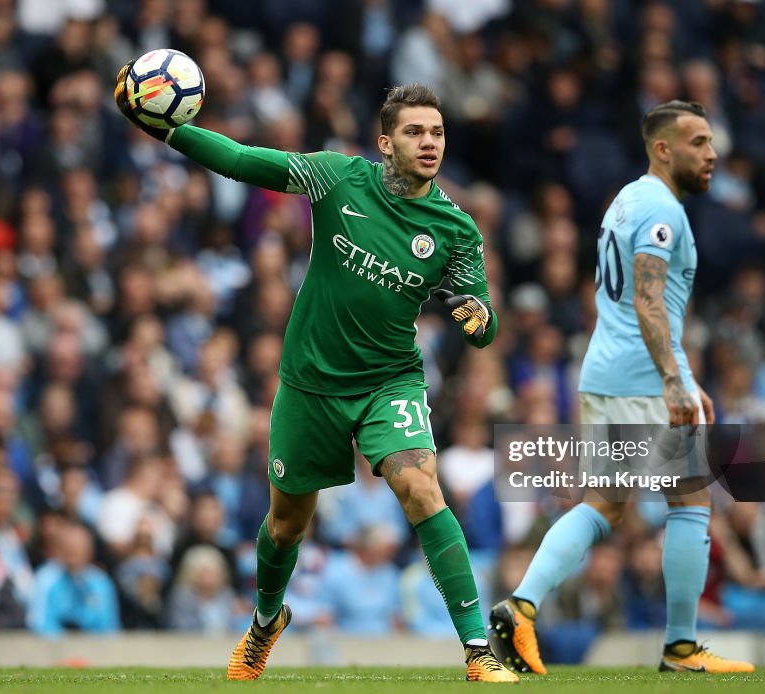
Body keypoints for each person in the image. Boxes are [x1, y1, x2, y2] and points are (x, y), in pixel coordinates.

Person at [114, 64, 517, 683]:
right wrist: (167, 131)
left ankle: (477, 651)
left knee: (421, 489)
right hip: (310, 383)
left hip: (389, 381)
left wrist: (477, 316)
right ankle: (265, 621)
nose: (429, 143)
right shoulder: (337, 177)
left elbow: (483, 324)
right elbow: (242, 161)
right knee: (285, 526)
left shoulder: (456, 229)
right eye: (414, 132)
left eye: (437, 132)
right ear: (385, 143)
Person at [488, 101, 755, 674]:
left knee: (604, 504)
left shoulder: (627, 200)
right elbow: (648, 298)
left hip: (608, 372)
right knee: (691, 503)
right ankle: (681, 647)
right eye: (699, 143)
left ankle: (520, 607)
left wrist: (687, 375)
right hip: (642, 378)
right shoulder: (661, 209)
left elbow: (650, 303)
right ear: (663, 148)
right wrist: (672, 380)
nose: (712, 155)